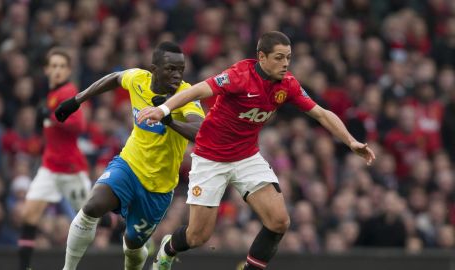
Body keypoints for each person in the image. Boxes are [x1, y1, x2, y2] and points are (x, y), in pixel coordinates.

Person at [138, 31, 376, 270]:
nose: (285, 64)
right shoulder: (239, 76)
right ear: (262, 57)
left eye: (288, 58)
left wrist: (351, 141)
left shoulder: (288, 84)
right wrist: (164, 110)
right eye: (279, 58)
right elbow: (198, 90)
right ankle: (168, 248)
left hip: (246, 157)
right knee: (198, 237)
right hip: (211, 158)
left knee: (279, 221)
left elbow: (321, 113)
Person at [54, 41, 205, 270]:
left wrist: (168, 118)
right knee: (92, 206)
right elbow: (114, 78)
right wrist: (77, 100)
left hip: (158, 188)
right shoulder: (138, 79)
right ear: (154, 70)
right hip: (129, 166)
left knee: (132, 245)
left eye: (181, 70)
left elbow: (201, 132)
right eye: (170, 69)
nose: (177, 76)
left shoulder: (186, 95)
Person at [18, 48, 91, 270]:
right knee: (29, 215)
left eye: (62, 66)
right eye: (54, 65)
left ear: (68, 70)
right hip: (50, 167)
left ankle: (126, 225)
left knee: (96, 218)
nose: (57, 70)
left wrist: (50, 117)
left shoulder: (69, 92)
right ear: (46, 69)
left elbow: (79, 126)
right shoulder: (52, 94)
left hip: (70, 169)